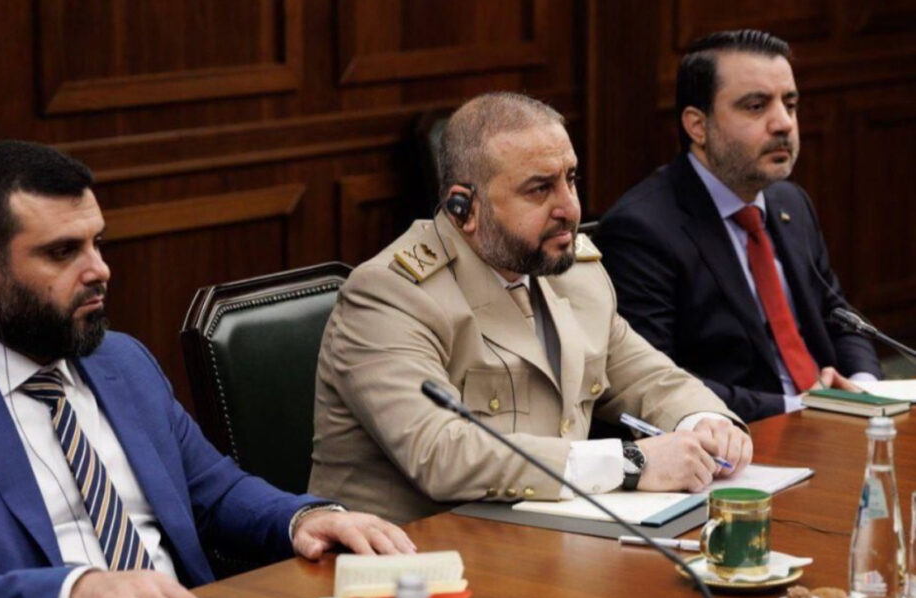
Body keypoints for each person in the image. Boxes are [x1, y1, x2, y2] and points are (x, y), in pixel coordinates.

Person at [0, 141, 414, 598]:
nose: (99, 270)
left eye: (98, 243)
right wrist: (72, 592)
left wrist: (303, 518)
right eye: (62, 252)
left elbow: (215, 491)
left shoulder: (122, 361)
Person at [309, 92, 752, 525]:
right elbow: (440, 452)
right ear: (464, 208)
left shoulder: (572, 273)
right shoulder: (390, 294)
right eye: (540, 189)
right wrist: (629, 463)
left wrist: (706, 422)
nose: (570, 208)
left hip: (539, 540)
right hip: (413, 554)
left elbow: (648, 377)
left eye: (571, 179)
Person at [596, 29, 881, 423]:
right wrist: (800, 408)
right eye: (756, 106)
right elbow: (652, 380)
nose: (783, 123)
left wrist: (865, 386)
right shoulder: (641, 230)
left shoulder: (790, 202)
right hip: (744, 436)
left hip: (834, 420)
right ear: (698, 126)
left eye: (790, 104)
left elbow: (839, 316)